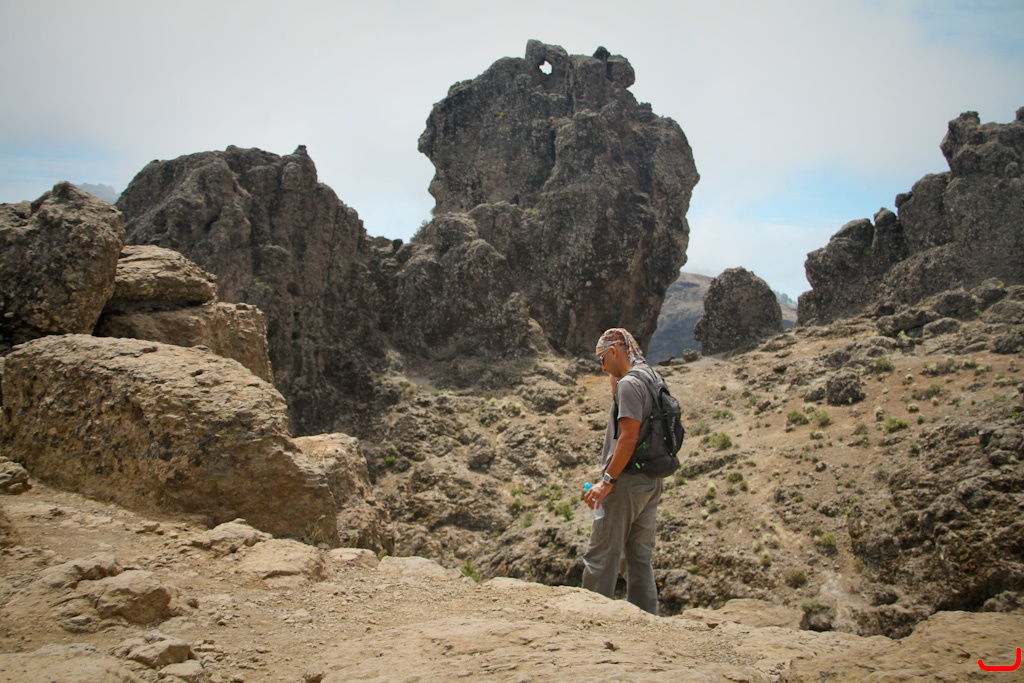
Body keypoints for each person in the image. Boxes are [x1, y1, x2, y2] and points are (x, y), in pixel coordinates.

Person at [582, 327, 663, 615]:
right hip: (650, 481)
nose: (602, 367)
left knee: (602, 554)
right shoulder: (651, 377)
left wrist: (607, 481)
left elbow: (628, 437)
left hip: (625, 483)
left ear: (614, 351)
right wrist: (616, 380)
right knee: (639, 558)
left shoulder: (630, 384)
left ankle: (590, 621)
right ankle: (648, 621)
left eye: (603, 359)